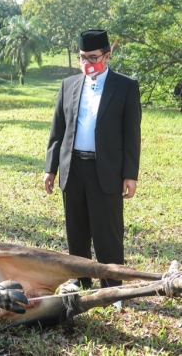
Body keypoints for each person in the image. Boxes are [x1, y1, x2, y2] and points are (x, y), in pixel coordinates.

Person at [43, 30, 141, 289]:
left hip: (106, 169)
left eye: (93, 57)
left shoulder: (125, 87)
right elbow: (58, 131)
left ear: (107, 56)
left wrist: (130, 174)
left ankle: (112, 285)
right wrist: (50, 169)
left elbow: (132, 134)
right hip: (73, 167)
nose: (87, 63)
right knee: (76, 230)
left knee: (107, 232)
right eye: (82, 58)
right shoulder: (69, 85)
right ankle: (80, 280)